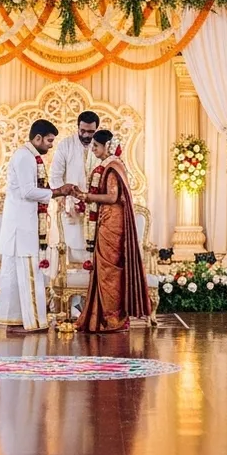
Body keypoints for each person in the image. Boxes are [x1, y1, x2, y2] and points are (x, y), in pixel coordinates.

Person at [0, 119, 76, 332]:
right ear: (38, 138)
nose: (51, 145)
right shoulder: (25, 157)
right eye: (49, 140)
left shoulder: (29, 156)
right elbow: (28, 192)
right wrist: (59, 191)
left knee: (18, 276)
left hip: (23, 226)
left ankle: (17, 321)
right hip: (22, 228)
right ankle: (31, 323)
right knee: (28, 275)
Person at [70, 130, 151, 333]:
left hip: (112, 222)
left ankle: (112, 318)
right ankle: (103, 316)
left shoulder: (113, 167)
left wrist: (86, 196)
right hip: (108, 219)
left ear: (107, 146)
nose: (94, 149)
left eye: (96, 146)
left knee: (109, 269)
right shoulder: (109, 165)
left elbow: (113, 197)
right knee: (105, 267)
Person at [51, 111, 99, 261]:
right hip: (72, 205)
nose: (86, 135)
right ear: (77, 127)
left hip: (97, 204)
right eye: (82, 131)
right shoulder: (66, 145)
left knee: (97, 247)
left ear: (96, 129)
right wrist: (63, 199)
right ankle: (72, 278)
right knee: (74, 245)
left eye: (91, 132)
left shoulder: (101, 146)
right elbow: (55, 175)